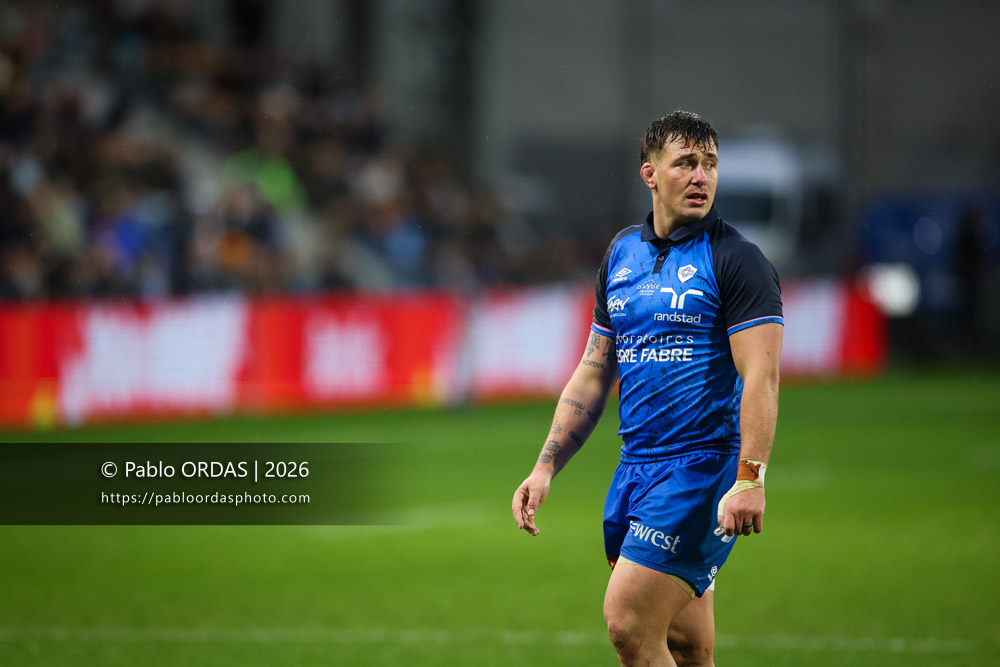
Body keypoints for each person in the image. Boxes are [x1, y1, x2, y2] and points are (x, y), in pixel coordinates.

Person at [511, 109, 783, 667]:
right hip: (636, 469)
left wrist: (750, 477)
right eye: (686, 163)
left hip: (702, 470)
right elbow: (593, 370)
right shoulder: (620, 256)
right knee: (686, 646)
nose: (701, 176)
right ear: (650, 174)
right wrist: (545, 466)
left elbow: (762, 376)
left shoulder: (738, 261)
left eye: (710, 164)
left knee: (628, 624)